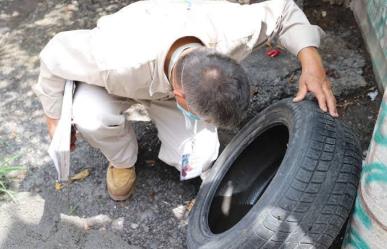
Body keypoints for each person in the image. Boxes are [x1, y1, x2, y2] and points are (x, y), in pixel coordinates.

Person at [33, 0, 338, 201]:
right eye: (201, 116)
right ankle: (122, 159)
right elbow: (53, 54)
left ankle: (176, 143)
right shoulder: (111, 59)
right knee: (90, 115)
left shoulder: (232, 30)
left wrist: (311, 61)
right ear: (181, 97)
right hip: (120, 81)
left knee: (201, 155)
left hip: (169, 76)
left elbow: (283, 9)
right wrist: (54, 118)